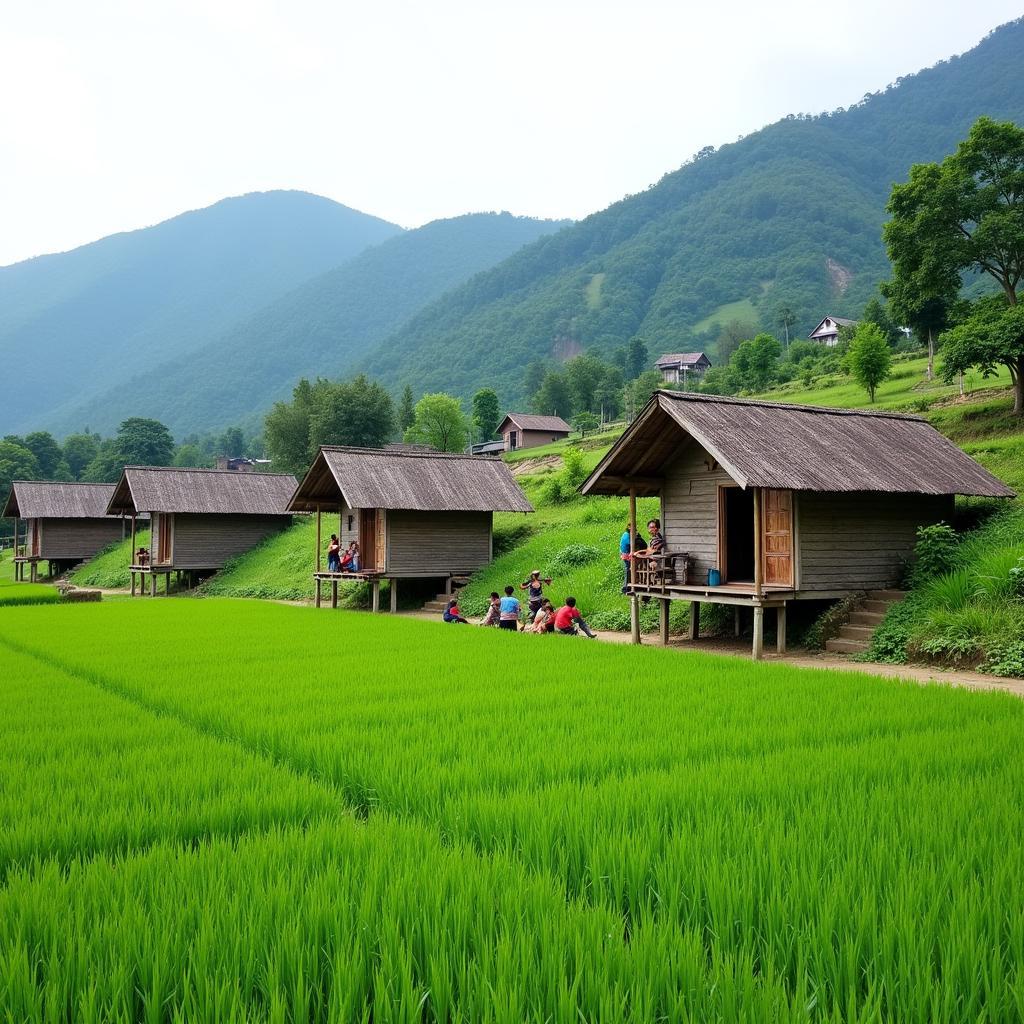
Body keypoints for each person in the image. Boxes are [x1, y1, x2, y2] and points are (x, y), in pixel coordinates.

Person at [619, 523, 646, 593]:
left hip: (626, 554)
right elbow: (632, 543)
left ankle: (630, 585)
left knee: (630, 570)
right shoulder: (627, 535)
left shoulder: (627, 534)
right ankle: (626, 587)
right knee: (628, 570)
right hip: (626, 555)